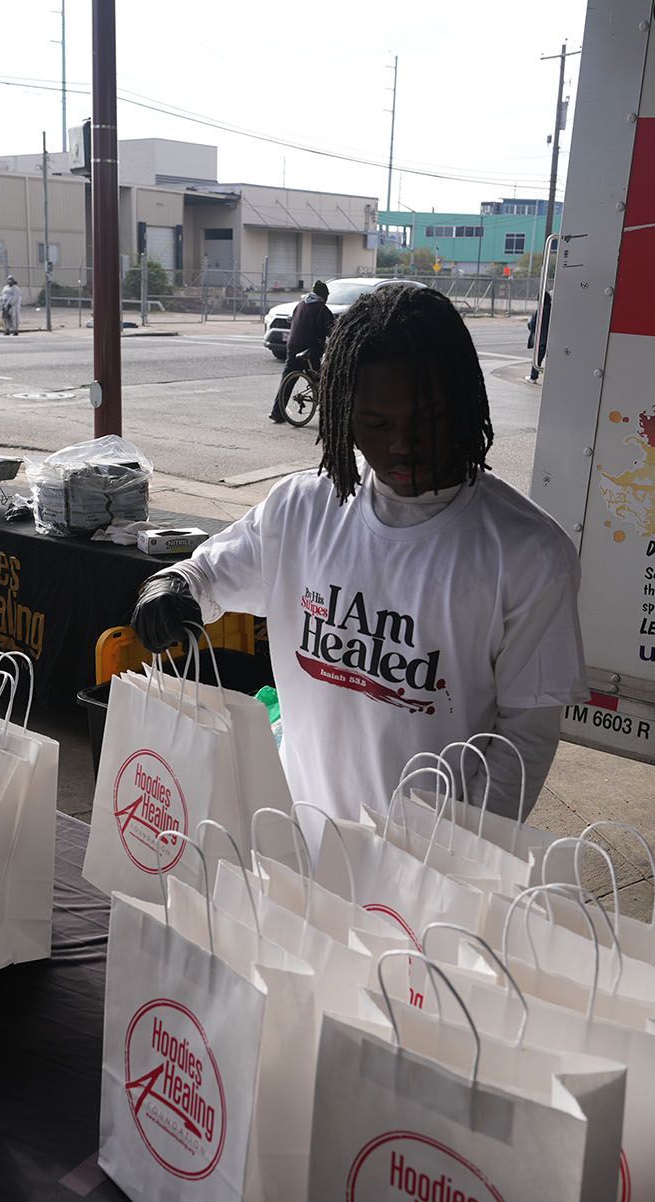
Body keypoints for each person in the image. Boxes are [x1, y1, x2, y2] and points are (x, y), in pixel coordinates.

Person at [134, 285, 585, 821]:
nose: (402, 444)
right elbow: (205, 574)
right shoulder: (299, 510)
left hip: (423, 871)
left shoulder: (530, 555)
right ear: (343, 413)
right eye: (376, 424)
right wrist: (171, 587)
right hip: (295, 841)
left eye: (428, 419)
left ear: (464, 404)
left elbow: (523, 743)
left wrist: (460, 860)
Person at [270, 279, 332, 424]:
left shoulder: (300, 304)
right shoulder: (321, 308)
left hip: (292, 347)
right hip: (310, 349)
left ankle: (277, 413)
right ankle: (326, 415)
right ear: (324, 295)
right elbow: (331, 329)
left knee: (287, 380)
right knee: (321, 380)